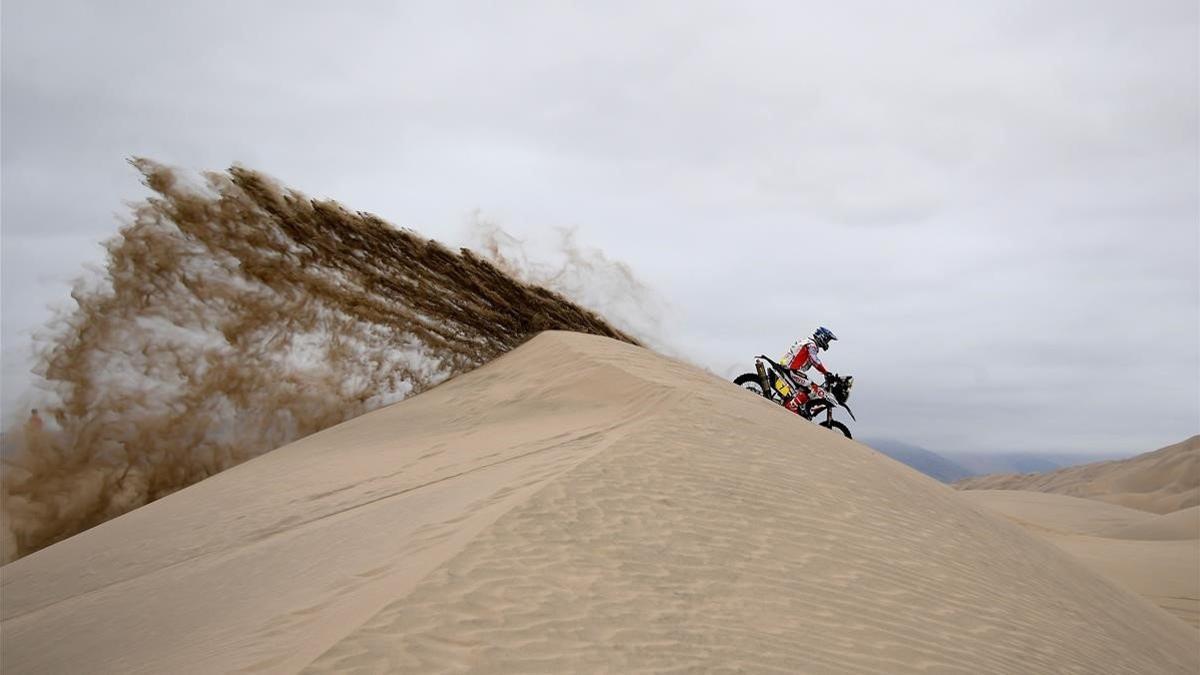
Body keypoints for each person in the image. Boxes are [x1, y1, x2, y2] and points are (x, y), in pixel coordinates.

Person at [779, 327, 837, 414]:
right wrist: (826, 372)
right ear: (822, 337)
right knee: (812, 388)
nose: (827, 342)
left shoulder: (807, 341)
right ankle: (792, 405)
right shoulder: (812, 345)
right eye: (827, 340)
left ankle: (794, 402)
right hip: (793, 369)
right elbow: (814, 360)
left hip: (788, 366)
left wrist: (824, 374)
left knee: (804, 386)